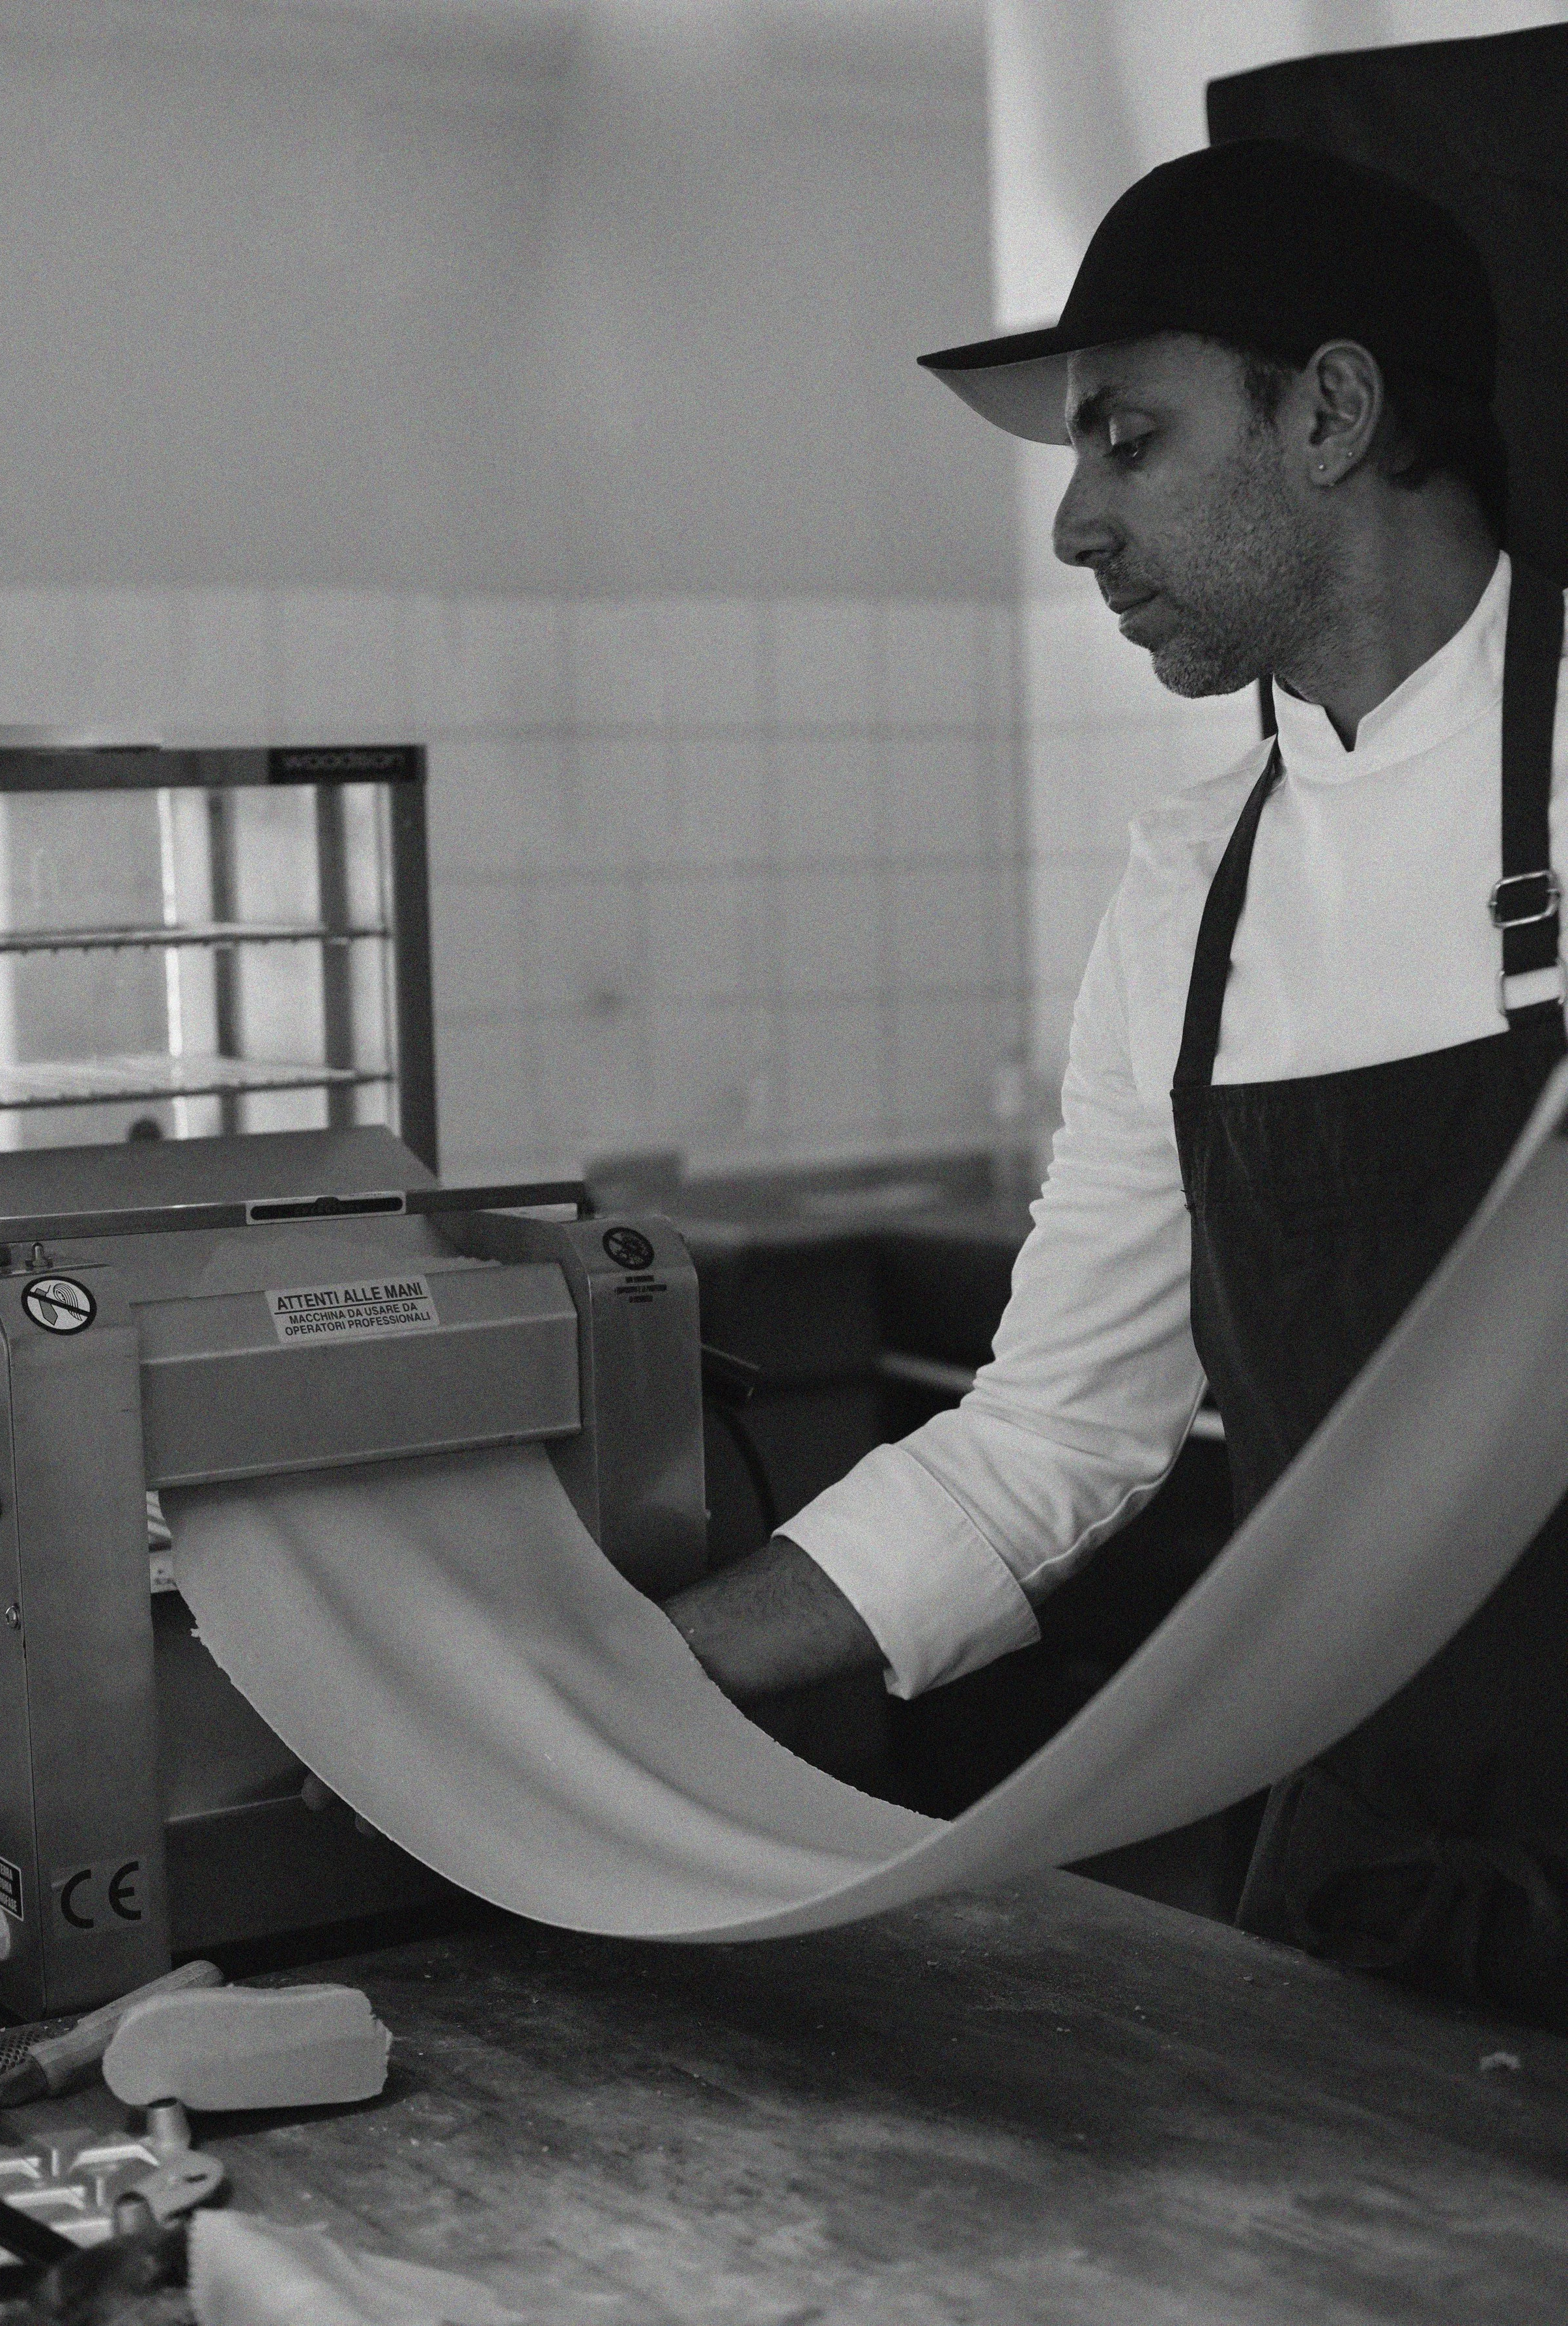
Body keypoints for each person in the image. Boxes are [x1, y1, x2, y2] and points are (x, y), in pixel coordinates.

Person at [664, 139, 1568, 2022]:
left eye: (1123, 441)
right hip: (1372, 1885)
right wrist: (633, 1684)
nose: (1073, 524)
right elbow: (1050, 1446)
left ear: (1328, 411)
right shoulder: (1193, 882)